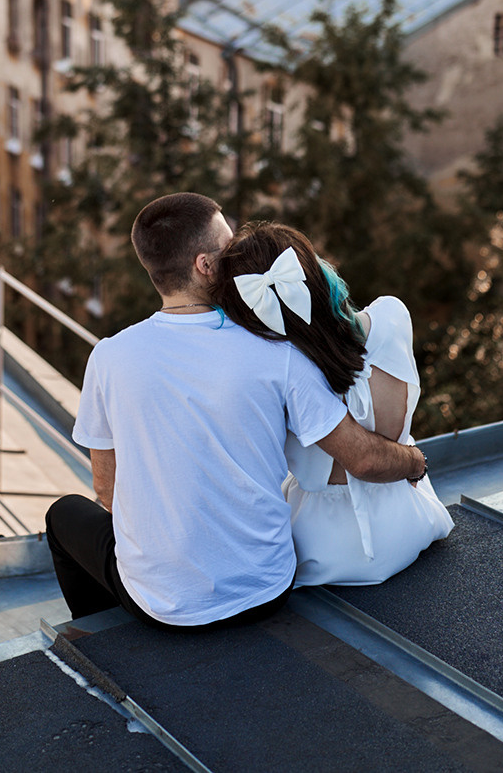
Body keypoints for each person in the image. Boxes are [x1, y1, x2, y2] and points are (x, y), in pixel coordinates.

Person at [45, 193, 429, 629]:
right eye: (227, 249)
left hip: (161, 607)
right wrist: (416, 460)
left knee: (63, 516)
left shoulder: (109, 356)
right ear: (205, 265)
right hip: (266, 590)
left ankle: (106, 642)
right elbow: (362, 457)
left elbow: (106, 488)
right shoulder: (276, 350)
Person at [210, 221, 453, 586]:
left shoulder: (276, 368)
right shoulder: (392, 315)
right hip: (409, 519)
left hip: (323, 548)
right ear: (314, 269)